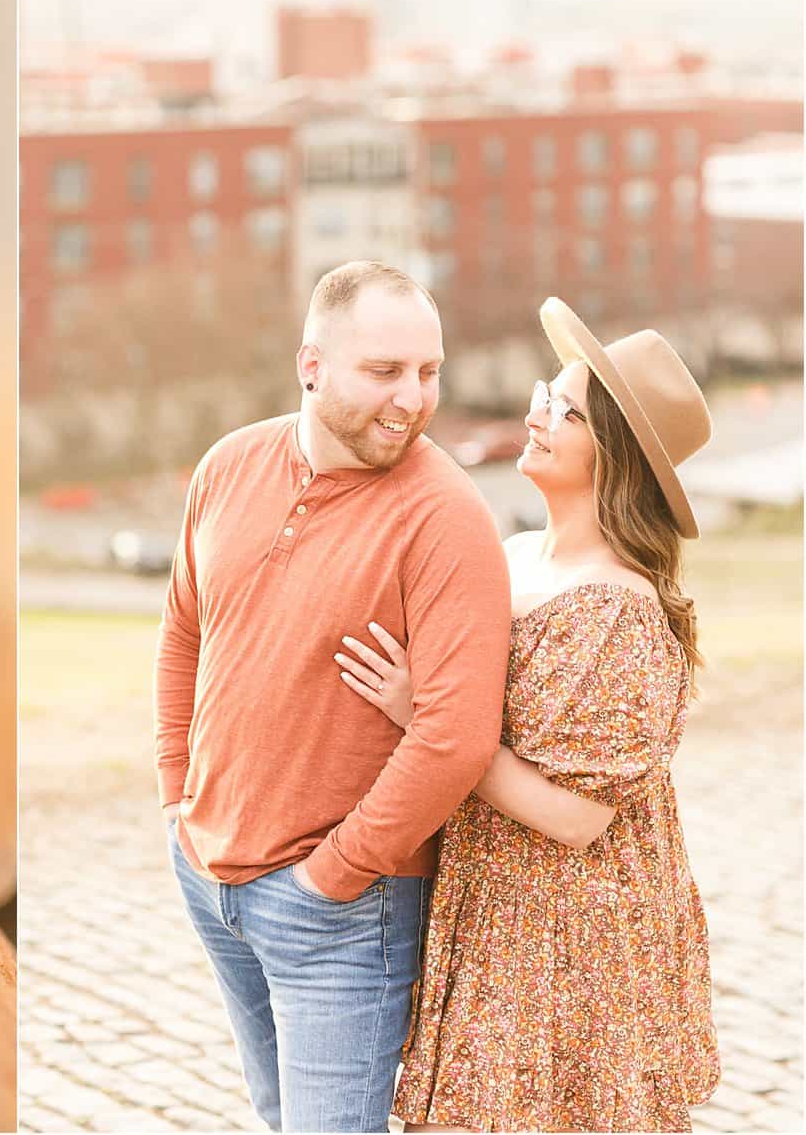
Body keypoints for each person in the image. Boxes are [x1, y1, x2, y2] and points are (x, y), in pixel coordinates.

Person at [333, 297, 721, 1131]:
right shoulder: (508, 554)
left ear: (611, 456)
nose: (537, 413)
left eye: (566, 410)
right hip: (491, 896)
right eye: (549, 392)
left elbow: (577, 818)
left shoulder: (617, 609)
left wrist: (426, 719)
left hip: (568, 932)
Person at [154, 260, 513, 1133]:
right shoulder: (229, 464)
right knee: (281, 1116)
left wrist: (336, 875)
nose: (412, 398)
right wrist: (177, 797)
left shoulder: (445, 517)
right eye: (384, 370)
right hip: (209, 873)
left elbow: (457, 737)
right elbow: (182, 636)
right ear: (312, 365)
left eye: (429, 371)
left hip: (342, 913)